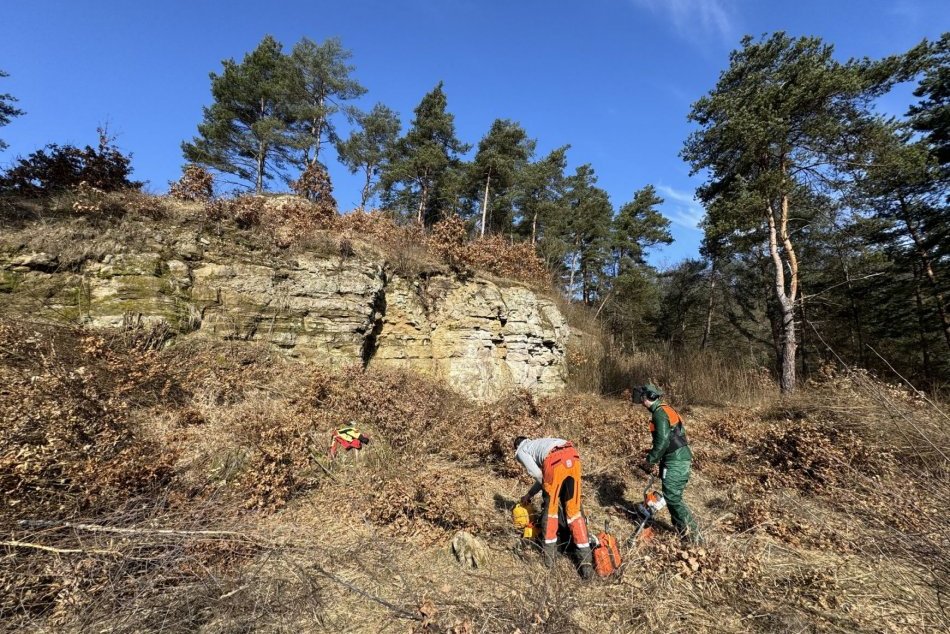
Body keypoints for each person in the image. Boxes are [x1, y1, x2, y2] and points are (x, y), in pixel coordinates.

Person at [514, 436, 593, 579]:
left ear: (517, 446)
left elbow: (538, 474)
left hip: (554, 462)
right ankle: (586, 566)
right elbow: (544, 476)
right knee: (574, 513)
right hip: (573, 455)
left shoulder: (521, 451)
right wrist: (530, 494)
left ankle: (550, 562)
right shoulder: (540, 444)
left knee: (550, 513)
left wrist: (549, 491)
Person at [633, 384, 702, 544]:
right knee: (670, 495)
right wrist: (652, 452)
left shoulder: (659, 413)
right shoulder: (663, 409)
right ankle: (683, 532)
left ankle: (694, 537)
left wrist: (650, 460)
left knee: (672, 498)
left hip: (676, 460)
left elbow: (663, 440)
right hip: (673, 458)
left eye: (642, 397)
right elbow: (667, 438)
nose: (641, 401)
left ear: (648, 397)